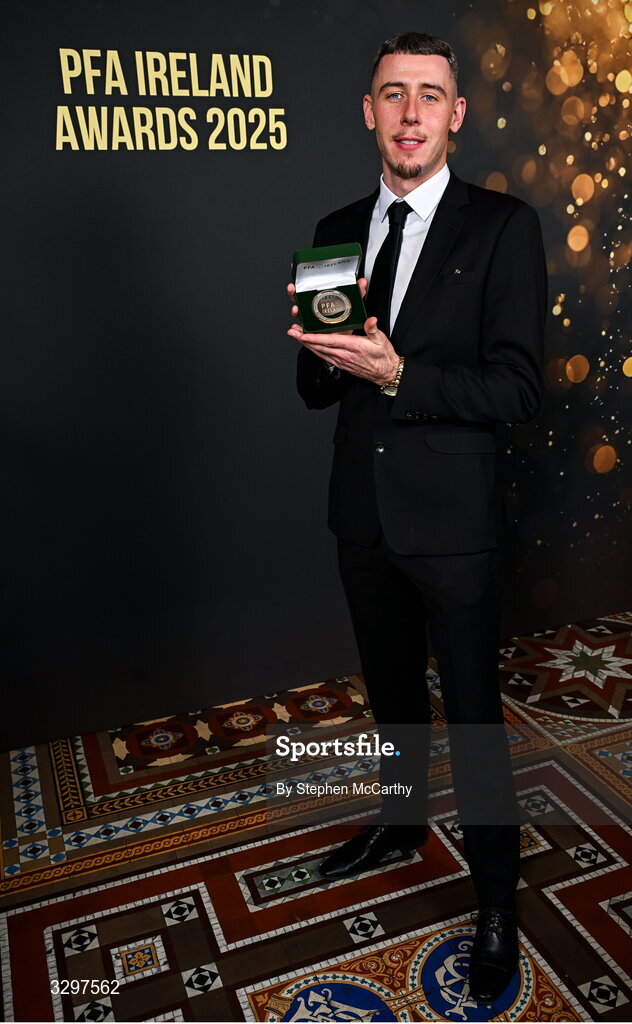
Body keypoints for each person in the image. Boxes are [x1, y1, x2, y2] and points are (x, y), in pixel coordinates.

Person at [286, 31, 547, 1004]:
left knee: (472, 720)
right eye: (391, 94)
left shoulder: (502, 228)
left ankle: (492, 899)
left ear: (454, 116)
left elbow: (516, 388)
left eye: (427, 96)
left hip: (454, 529)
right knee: (392, 698)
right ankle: (399, 821)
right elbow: (314, 391)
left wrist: (399, 373)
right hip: (359, 515)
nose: (408, 113)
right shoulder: (332, 225)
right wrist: (322, 357)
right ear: (367, 111)